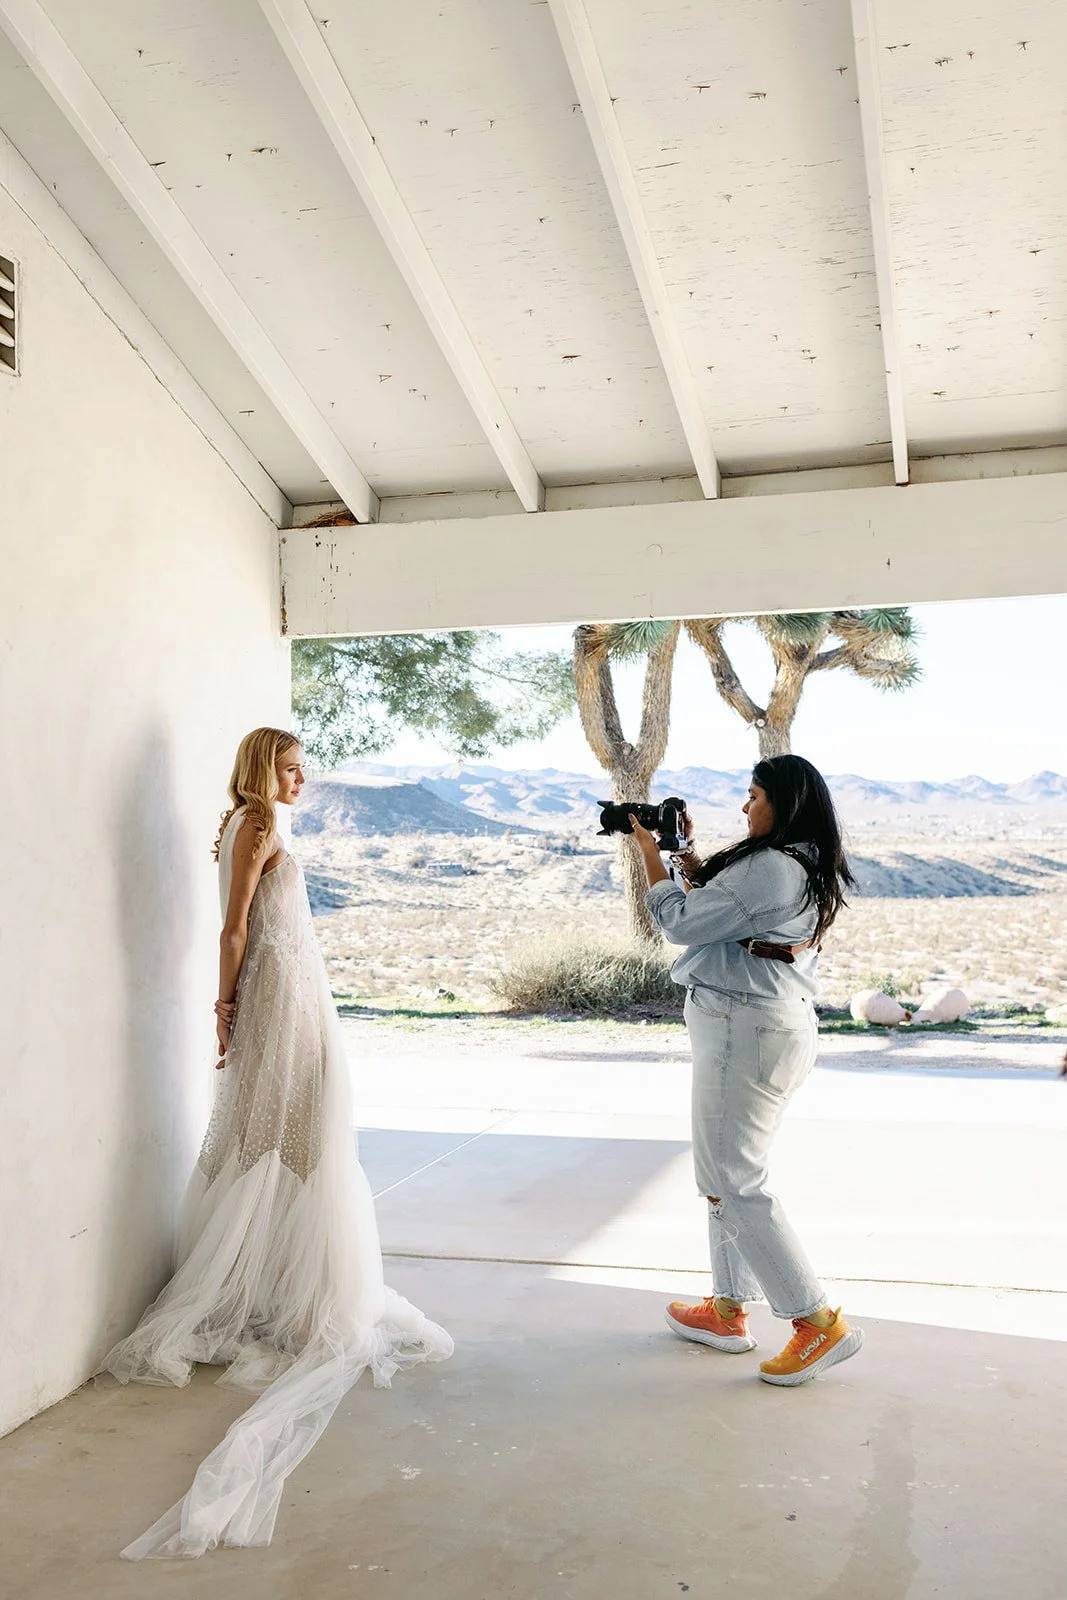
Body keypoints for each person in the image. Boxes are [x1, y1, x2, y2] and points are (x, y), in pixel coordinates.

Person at [99, 728, 452, 1558]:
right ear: (262, 771)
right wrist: (223, 1012)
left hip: (294, 994)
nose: (301, 781)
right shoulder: (255, 825)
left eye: (303, 770)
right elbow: (232, 932)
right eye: (289, 769)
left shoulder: (260, 823)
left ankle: (282, 1288)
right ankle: (274, 1297)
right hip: (275, 998)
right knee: (283, 1142)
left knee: (300, 1139)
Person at [629, 753, 863, 1387]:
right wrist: (684, 854)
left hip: (745, 1030)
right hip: (752, 1028)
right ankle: (728, 1310)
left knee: (734, 1179)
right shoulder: (798, 859)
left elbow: (679, 922)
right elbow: (726, 909)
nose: (745, 806)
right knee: (720, 1175)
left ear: (782, 803)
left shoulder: (775, 867)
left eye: (754, 796)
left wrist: (646, 850)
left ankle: (817, 1322)